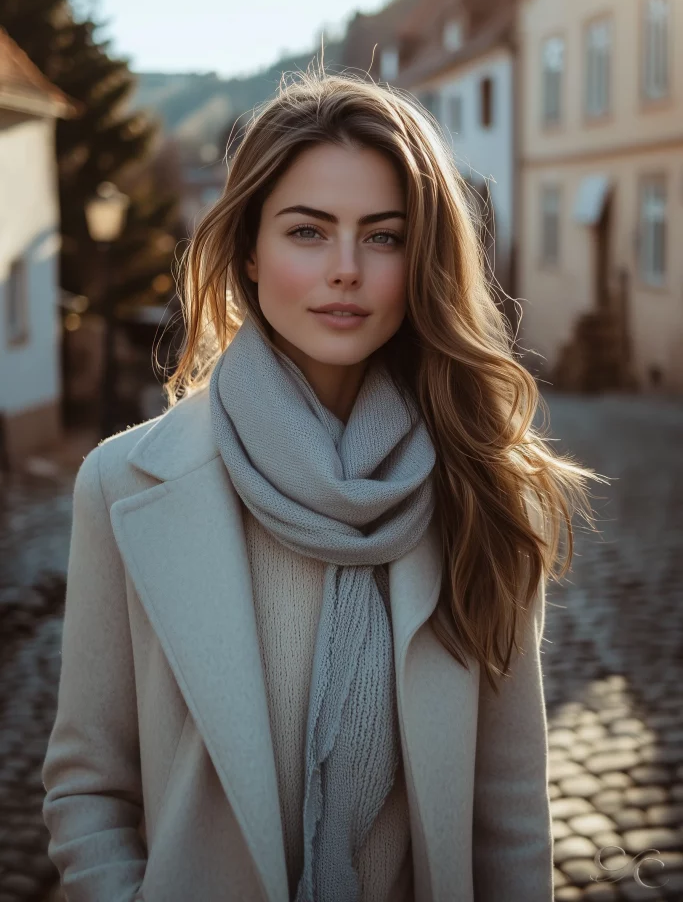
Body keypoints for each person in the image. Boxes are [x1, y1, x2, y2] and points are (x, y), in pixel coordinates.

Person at [42, 70, 597, 902]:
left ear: (422, 262)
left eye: (382, 237)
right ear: (249, 255)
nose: (345, 269)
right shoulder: (122, 485)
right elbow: (90, 791)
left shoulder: (482, 484)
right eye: (307, 232)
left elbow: (508, 808)